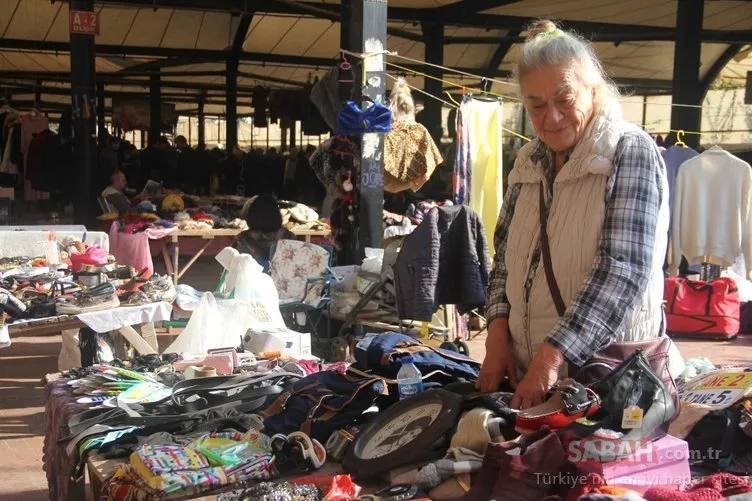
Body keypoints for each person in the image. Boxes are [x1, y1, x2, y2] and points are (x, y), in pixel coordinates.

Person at [478, 20, 669, 410]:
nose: (552, 117)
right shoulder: (528, 159)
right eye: (536, 105)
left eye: (565, 99)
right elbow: (504, 260)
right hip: (529, 374)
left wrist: (552, 357)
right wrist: (497, 333)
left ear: (593, 91)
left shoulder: (629, 152)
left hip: (608, 378)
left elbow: (623, 269)